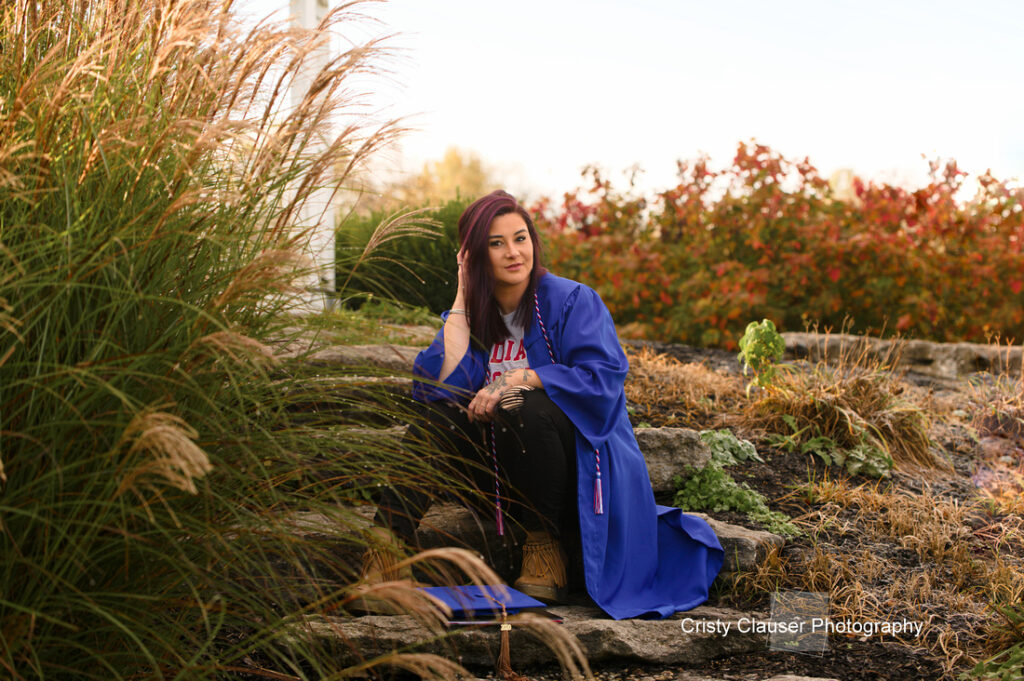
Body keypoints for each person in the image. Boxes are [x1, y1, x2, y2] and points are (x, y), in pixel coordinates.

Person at [363, 190, 724, 619]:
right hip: (503, 473)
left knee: (523, 404)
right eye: (495, 244)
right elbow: (437, 388)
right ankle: (385, 554)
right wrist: (462, 294)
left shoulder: (572, 301)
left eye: (520, 238)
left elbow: (603, 380)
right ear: (474, 255)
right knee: (440, 417)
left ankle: (546, 551)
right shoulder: (475, 315)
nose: (513, 252)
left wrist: (521, 380)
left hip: (575, 471)